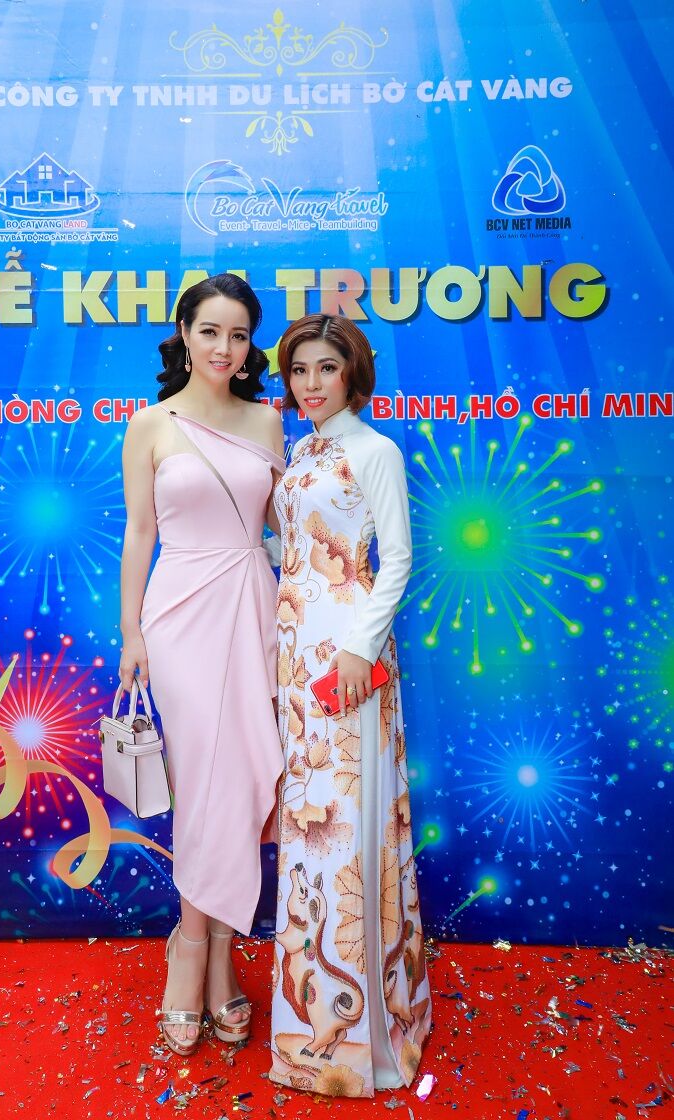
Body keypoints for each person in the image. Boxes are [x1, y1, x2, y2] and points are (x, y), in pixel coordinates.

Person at [118, 273, 285, 1056]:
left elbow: (284, 528)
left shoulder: (268, 421)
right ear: (184, 333)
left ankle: (221, 954)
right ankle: (191, 951)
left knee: (245, 780)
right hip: (178, 616)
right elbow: (140, 533)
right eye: (210, 331)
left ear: (251, 346)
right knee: (201, 786)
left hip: (254, 609)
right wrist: (131, 633)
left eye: (239, 335)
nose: (224, 348)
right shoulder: (149, 425)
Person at [268, 314, 431, 1098]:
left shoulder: (375, 450)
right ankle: (311, 1018)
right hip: (297, 649)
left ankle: (368, 1042)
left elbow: (396, 558)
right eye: (299, 370)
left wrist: (360, 649)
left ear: (353, 373)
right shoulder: (302, 451)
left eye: (326, 369)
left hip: (348, 654)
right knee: (308, 824)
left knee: (349, 825)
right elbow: (294, 552)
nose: (310, 384)